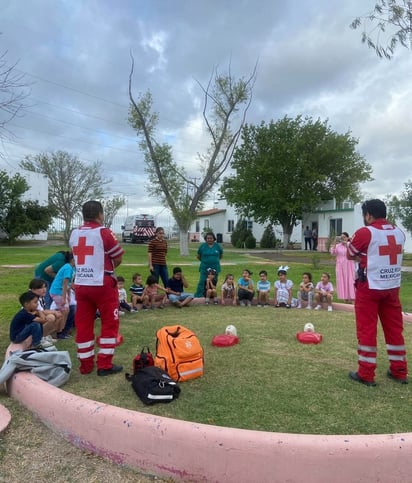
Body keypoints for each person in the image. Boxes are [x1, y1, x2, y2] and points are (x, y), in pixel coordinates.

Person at [347, 199, 407, 386]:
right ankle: (399, 371)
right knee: (394, 330)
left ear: (368, 215)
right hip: (392, 287)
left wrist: (363, 256)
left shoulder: (366, 232)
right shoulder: (399, 232)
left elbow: (350, 253)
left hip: (370, 287)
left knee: (367, 329)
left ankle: (366, 373)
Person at [69, 200, 124, 376]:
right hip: (102, 284)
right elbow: (117, 257)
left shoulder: (74, 233)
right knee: (109, 323)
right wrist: (109, 269)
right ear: (100, 214)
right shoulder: (104, 232)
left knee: (83, 324)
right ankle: (104, 365)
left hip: (81, 284)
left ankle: (85, 365)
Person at [49, 252, 76, 339]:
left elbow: (68, 285)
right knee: (64, 311)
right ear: (73, 259)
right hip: (57, 291)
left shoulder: (70, 268)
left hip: (59, 292)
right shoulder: (68, 268)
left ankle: (61, 331)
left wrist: (68, 296)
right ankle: (58, 332)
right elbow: (64, 283)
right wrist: (64, 298)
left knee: (66, 310)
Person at [29, 278, 63, 345]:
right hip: (30, 319)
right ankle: (41, 338)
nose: (44, 289)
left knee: (57, 315)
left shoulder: (40, 296)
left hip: (37, 315)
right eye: (41, 288)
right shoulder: (32, 297)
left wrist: (54, 312)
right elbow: (40, 311)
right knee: (51, 317)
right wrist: (54, 312)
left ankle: (47, 335)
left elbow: (42, 310)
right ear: (33, 289)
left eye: (45, 287)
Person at [195, 232, 223, 298]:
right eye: (208, 238)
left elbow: (221, 255)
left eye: (211, 238)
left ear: (214, 239)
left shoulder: (217, 246)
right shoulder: (202, 246)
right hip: (204, 267)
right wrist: (204, 261)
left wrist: (215, 260)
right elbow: (198, 256)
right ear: (205, 239)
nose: (209, 239)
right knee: (202, 281)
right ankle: (199, 295)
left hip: (215, 267)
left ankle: (211, 295)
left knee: (214, 281)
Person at [330, 232, 356, 303]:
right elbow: (332, 252)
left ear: (347, 237)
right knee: (342, 280)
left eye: (344, 237)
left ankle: (352, 297)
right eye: (341, 237)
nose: (343, 238)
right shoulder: (338, 246)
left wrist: (346, 243)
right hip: (340, 265)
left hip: (349, 265)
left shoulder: (350, 244)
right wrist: (335, 243)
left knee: (350, 280)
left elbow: (353, 251)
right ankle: (345, 298)